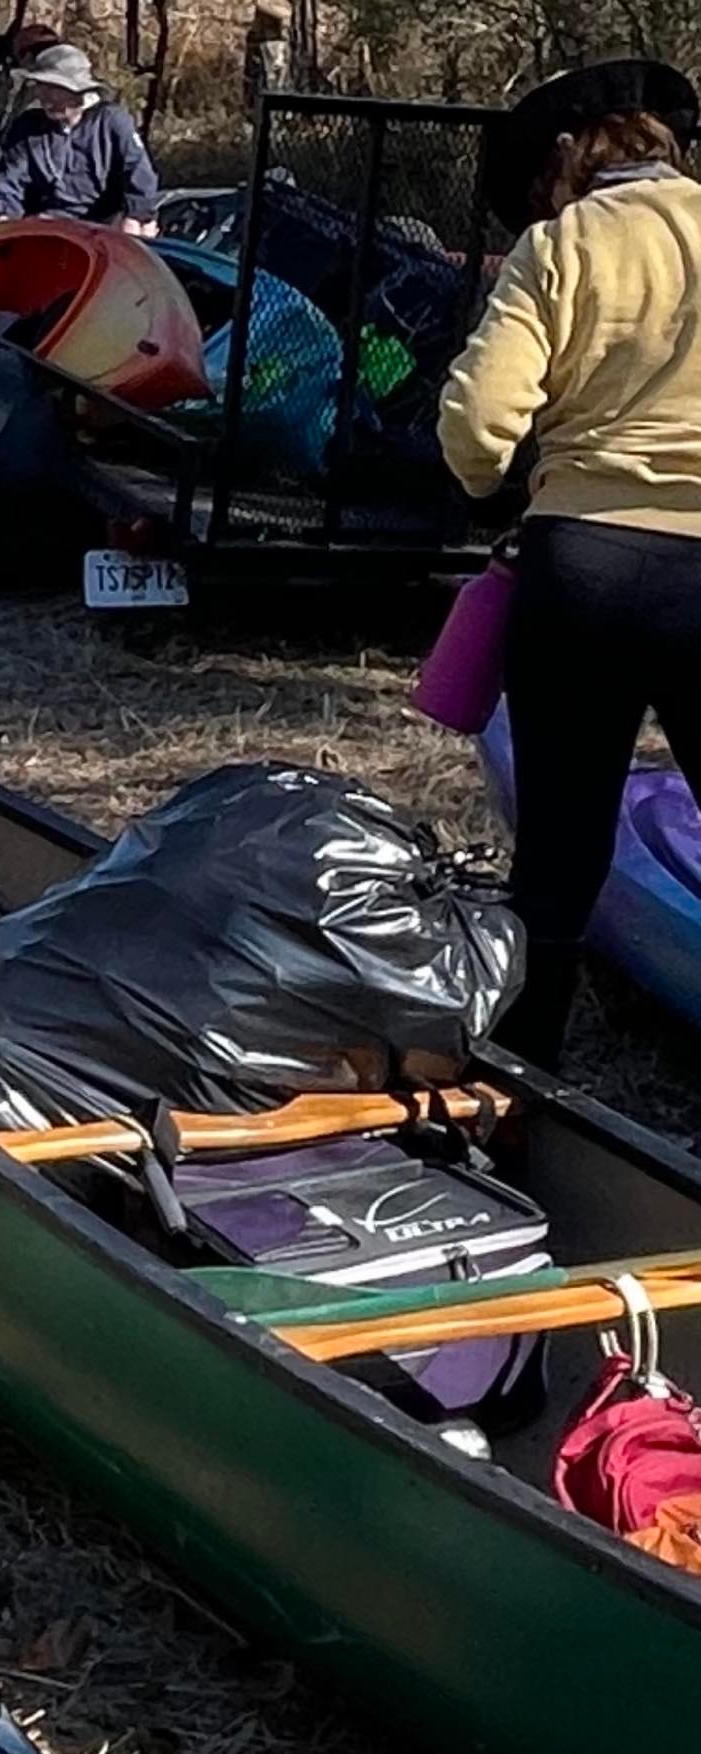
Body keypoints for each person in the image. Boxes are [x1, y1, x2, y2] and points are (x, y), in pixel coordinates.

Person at [438, 59, 701, 1069]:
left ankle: (518, 1091)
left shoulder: (561, 245)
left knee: (557, 852)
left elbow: (476, 422)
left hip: (583, 566)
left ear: (566, 159)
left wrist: (492, 487)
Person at [0, 43, 158, 234]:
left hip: (103, 229)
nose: (43, 96)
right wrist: (4, 217)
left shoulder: (112, 122)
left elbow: (139, 175)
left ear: (78, 92)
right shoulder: (29, 127)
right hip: (45, 227)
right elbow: (7, 182)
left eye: (54, 89)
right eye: (40, 87)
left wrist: (134, 217)